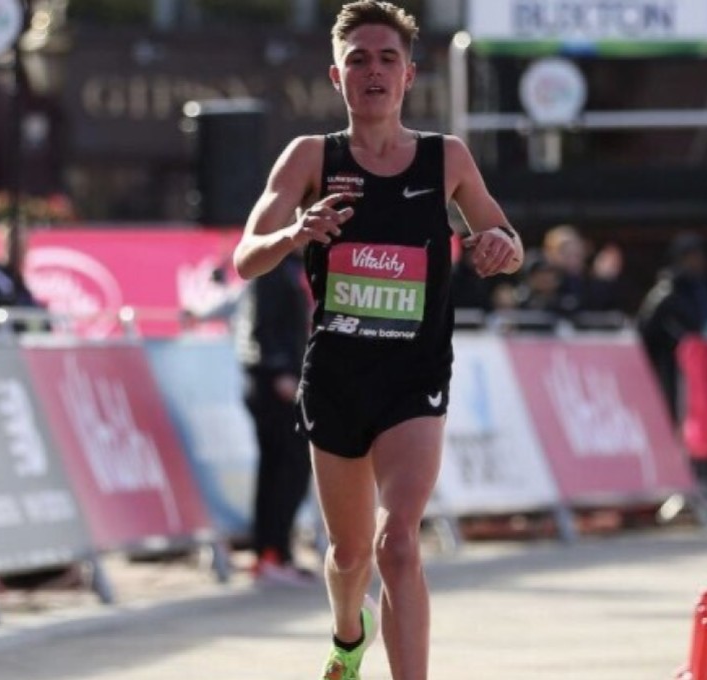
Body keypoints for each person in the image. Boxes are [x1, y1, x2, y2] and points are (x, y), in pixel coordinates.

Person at [232, 3, 523, 679]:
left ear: (409, 75)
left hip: (412, 376)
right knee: (349, 555)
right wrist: (294, 235)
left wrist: (497, 248)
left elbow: (507, 240)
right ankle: (346, 634)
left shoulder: (445, 156)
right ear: (337, 77)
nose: (373, 71)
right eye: (358, 59)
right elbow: (247, 256)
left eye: (387, 59)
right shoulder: (309, 157)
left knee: (398, 546)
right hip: (336, 374)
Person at [234, 246, 315, 587]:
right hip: (274, 384)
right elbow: (261, 325)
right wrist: (280, 369)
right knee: (289, 468)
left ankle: (274, 553)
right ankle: (272, 553)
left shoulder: (292, 265)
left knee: (280, 469)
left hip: (278, 380)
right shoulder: (272, 265)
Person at [636, 232, 707, 422]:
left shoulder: (700, 288)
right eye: (695, 256)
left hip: (699, 364)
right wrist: (677, 341)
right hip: (671, 365)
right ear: (683, 257)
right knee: (675, 410)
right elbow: (645, 328)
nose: (700, 262)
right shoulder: (665, 290)